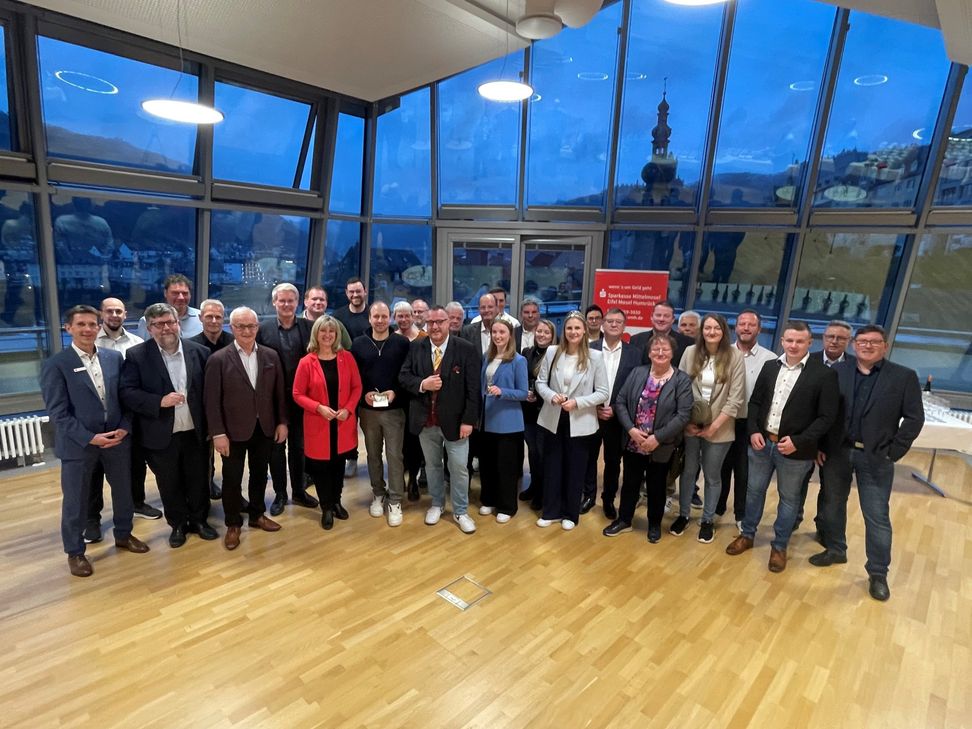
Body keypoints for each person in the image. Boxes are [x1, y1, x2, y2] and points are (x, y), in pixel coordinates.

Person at [811, 325, 924, 602]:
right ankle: (836, 549)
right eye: (862, 341)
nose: (867, 346)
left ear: (885, 346)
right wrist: (820, 445)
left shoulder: (903, 377)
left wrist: (894, 451)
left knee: (876, 516)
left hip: (876, 457)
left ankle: (878, 572)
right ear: (854, 345)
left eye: (874, 342)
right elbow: (825, 412)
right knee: (832, 504)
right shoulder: (838, 372)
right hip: (837, 452)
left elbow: (914, 418)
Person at [40, 305, 150, 578]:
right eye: (81, 324)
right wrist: (90, 438)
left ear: (99, 327)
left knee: (123, 492)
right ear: (68, 328)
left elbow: (125, 399)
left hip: (116, 440)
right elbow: (58, 413)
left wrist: (124, 428)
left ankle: (123, 534)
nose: (88, 329)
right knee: (76, 501)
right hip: (79, 445)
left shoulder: (114, 358)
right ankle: (75, 551)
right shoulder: (56, 365)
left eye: (92, 324)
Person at [725, 321, 839, 573]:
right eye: (790, 340)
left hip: (796, 451)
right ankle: (747, 534)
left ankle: (779, 546)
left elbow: (826, 417)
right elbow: (755, 403)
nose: (794, 345)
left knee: (788, 500)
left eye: (800, 341)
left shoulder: (824, 374)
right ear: (782, 341)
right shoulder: (770, 366)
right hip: (762, 444)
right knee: (754, 492)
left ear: (809, 343)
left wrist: (799, 441)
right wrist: (754, 431)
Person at [119, 303, 217, 548]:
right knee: (169, 483)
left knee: (199, 479)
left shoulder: (200, 351)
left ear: (178, 323)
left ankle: (199, 521)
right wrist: (158, 401)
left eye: (170, 322)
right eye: (158, 324)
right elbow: (127, 393)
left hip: (195, 432)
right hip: (161, 434)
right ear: (149, 328)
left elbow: (210, 394)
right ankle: (178, 525)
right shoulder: (137, 355)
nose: (166, 328)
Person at [204, 306, 288, 551]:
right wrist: (218, 433)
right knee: (232, 479)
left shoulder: (271, 356)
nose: (247, 331)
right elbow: (211, 401)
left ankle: (257, 514)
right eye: (240, 326)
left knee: (260, 474)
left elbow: (279, 393)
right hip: (232, 432)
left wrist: (282, 422)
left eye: (251, 326)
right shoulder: (218, 359)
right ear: (232, 328)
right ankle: (233, 523)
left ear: (257, 327)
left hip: (265, 427)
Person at [399, 305, 481, 533]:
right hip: (426, 421)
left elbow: (473, 389)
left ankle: (461, 511)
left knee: (459, 468)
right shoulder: (416, 347)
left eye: (440, 322)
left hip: (457, 422)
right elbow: (404, 376)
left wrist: (469, 420)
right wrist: (422, 384)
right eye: (431, 322)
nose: (435, 326)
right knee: (433, 466)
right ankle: (437, 503)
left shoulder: (465, 349)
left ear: (449, 323)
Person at [605, 334, 693, 542]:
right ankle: (624, 520)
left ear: (673, 353)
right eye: (655, 349)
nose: (660, 353)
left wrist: (657, 438)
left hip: (661, 445)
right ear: (649, 352)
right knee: (630, 483)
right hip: (634, 441)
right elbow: (620, 401)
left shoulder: (681, 380)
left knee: (657, 486)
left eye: (665, 349)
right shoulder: (638, 372)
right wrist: (631, 430)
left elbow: (683, 415)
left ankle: (654, 524)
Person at [85, 297, 157, 544]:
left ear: (125, 314)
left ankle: (136, 504)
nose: (114, 315)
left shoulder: (137, 343)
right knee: (93, 473)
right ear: (101, 314)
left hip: (128, 417)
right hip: (95, 422)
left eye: (119, 311)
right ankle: (91, 520)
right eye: (109, 311)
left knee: (134, 465)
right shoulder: (90, 342)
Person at [670, 313, 745, 543]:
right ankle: (683, 515)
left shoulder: (735, 356)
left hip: (720, 428)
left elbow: (736, 398)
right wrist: (686, 422)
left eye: (716, 328)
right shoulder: (690, 352)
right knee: (688, 471)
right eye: (707, 328)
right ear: (701, 331)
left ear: (724, 331)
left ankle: (707, 520)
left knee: (713, 476)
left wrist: (714, 427)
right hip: (690, 426)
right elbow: (679, 388)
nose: (711, 332)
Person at [535, 311, 609, 530]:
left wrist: (577, 402)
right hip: (553, 417)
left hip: (580, 420)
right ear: (564, 330)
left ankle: (570, 514)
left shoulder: (595, 357)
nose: (573, 332)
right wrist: (551, 396)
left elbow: (603, 392)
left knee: (575, 469)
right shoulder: (552, 352)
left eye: (577, 328)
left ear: (584, 330)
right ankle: (551, 512)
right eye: (569, 328)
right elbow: (540, 383)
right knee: (552, 466)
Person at [293, 316, 363, 530]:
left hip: (341, 423)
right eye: (323, 331)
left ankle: (337, 502)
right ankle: (326, 507)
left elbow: (357, 387)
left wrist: (348, 409)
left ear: (337, 335)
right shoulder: (307, 362)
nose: (327, 335)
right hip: (319, 423)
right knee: (321, 468)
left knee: (338, 465)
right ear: (316, 334)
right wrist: (318, 407)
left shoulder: (347, 357)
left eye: (331, 331)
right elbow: (297, 393)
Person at [257, 283, 320, 515]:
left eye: (290, 300)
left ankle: (299, 491)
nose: (286, 304)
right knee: (276, 448)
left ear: (297, 303)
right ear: (274, 302)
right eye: (281, 300)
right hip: (274, 399)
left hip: (303, 399)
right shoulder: (263, 330)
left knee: (299, 447)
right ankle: (280, 494)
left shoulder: (310, 328)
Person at [351, 302, 411, 526]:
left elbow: (408, 374)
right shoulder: (358, 344)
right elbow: (354, 377)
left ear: (390, 318)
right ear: (369, 318)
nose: (380, 320)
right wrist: (362, 394)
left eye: (384, 316)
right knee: (373, 455)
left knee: (395, 456)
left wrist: (395, 391)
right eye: (376, 316)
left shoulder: (401, 343)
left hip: (394, 410)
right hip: (368, 411)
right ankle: (378, 493)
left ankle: (395, 499)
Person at [794, 319, 857, 533]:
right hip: (804, 437)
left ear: (849, 341)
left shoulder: (855, 367)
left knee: (831, 490)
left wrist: (826, 444)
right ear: (823, 338)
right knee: (797, 484)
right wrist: (811, 441)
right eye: (830, 336)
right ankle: (793, 520)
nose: (834, 341)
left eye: (841, 338)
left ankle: (823, 528)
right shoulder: (805, 360)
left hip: (836, 442)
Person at [718, 309, 777, 530]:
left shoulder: (770, 359)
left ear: (759, 329)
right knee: (721, 468)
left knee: (745, 472)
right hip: (724, 420)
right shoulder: (722, 354)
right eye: (742, 324)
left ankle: (741, 514)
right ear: (736, 327)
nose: (746, 328)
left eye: (751, 324)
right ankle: (717, 508)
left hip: (751, 424)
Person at [584, 308, 642, 519]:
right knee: (588, 458)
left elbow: (635, 389)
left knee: (613, 461)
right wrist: (594, 407)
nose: (614, 324)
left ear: (624, 326)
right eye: (610, 321)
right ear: (602, 324)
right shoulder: (589, 349)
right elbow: (583, 382)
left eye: (618, 321)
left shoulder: (635, 353)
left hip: (618, 418)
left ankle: (608, 499)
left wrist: (615, 409)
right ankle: (588, 495)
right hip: (591, 414)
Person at [478, 320, 529, 523]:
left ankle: (507, 507)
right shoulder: (487, 356)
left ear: (510, 335)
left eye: (502, 332)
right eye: (494, 332)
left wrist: (502, 392)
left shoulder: (518, 360)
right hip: (487, 419)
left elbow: (523, 393)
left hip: (508, 422)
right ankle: (488, 499)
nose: (498, 336)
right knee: (487, 464)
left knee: (505, 467)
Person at [188, 298, 234, 501]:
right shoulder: (190, 346)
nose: (214, 321)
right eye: (209, 316)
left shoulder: (234, 342)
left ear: (224, 318)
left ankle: (232, 493)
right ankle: (206, 486)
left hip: (231, 407)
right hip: (202, 407)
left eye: (218, 316)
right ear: (200, 318)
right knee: (202, 455)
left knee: (232, 455)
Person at [518, 319, 557, 510]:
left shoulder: (556, 354)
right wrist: (525, 392)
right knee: (532, 452)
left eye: (546, 332)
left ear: (553, 336)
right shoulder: (527, 352)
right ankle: (534, 485)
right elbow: (522, 377)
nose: (542, 335)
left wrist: (539, 396)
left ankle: (543, 491)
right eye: (539, 331)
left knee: (542, 453)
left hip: (546, 411)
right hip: (528, 410)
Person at [629, 300, 694, 368]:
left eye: (666, 316)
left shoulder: (687, 343)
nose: (661, 319)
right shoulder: (636, 340)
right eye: (658, 315)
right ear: (651, 317)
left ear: (673, 319)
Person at [136, 273, 202, 339]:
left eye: (185, 293)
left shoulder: (201, 318)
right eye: (175, 293)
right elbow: (144, 345)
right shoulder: (148, 320)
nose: (181, 297)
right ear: (165, 293)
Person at [461, 292, 498, 358]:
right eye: (483, 307)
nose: (486, 310)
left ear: (497, 309)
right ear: (479, 309)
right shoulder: (467, 331)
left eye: (490, 307)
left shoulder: (504, 331)